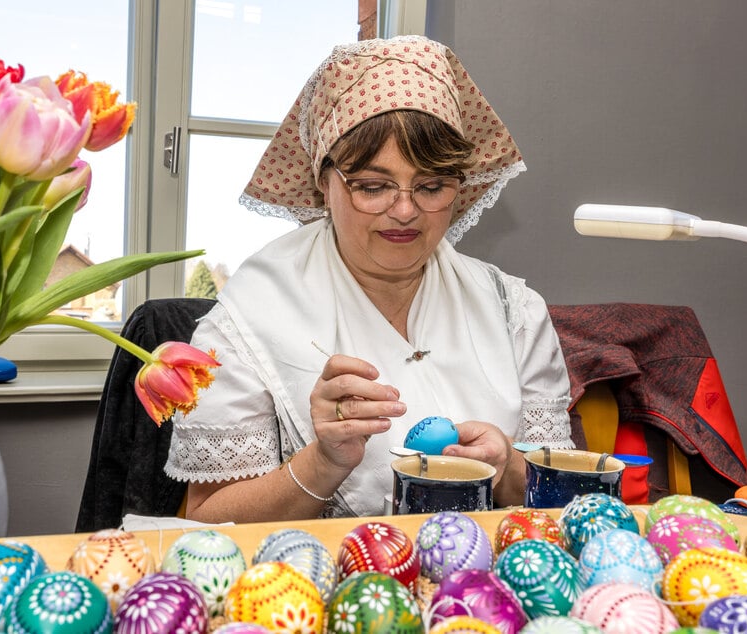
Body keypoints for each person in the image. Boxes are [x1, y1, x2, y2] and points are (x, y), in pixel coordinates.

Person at [164, 35, 573, 521]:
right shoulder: (250, 318)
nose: (404, 211)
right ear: (323, 180)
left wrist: (505, 468)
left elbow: (563, 502)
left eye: (432, 186)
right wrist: (323, 462)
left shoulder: (512, 312)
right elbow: (205, 521)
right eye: (373, 187)